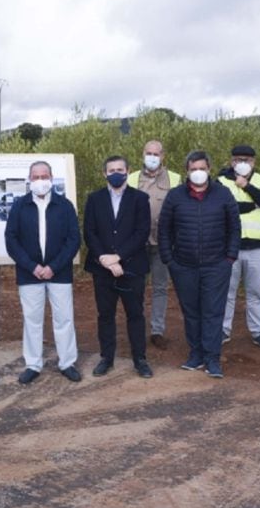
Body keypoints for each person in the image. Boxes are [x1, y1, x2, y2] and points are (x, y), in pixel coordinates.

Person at [159, 151, 240, 378]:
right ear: (187, 171)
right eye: (193, 169)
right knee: (192, 312)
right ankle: (195, 354)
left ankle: (212, 358)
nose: (198, 173)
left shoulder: (223, 194)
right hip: (184, 266)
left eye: (202, 168)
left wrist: (229, 258)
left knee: (213, 312)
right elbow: (164, 229)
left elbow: (235, 227)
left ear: (209, 169)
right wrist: (169, 260)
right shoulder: (175, 196)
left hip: (216, 266)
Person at [5, 161, 82, 384]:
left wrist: (53, 267)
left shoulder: (64, 205)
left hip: (59, 272)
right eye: (36, 177)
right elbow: (12, 240)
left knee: (64, 319)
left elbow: (73, 239)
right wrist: (33, 266)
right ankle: (33, 364)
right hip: (30, 273)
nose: (40, 181)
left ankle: (67, 362)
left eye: (44, 176)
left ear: (52, 177)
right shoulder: (20, 206)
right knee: (32, 320)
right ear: (30, 179)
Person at [83, 155, 153, 378]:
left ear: (127, 171)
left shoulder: (140, 198)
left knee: (135, 314)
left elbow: (142, 232)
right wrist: (104, 258)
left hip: (132, 268)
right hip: (102, 268)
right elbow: (89, 232)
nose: (116, 173)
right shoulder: (94, 199)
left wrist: (118, 257)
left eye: (120, 169)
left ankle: (140, 359)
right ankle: (107, 358)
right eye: (111, 169)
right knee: (105, 315)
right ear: (104, 173)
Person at [219, 145, 260, 349]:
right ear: (231, 161)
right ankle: (223, 330)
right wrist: (253, 204)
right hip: (229, 248)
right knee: (226, 292)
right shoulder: (222, 181)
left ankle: (258, 331)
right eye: (237, 159)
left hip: (258, 247)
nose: (242, 163)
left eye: (247, 159)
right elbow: (224, 206)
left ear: (254, 162)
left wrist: (246, 186)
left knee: (255, 293)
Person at [128, 140, 182, 349]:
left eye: (156, 153)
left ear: (163, 156)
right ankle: (138, 328)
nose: (152, 157)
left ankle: (157, 331)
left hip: (163, 242)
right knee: (137, 288)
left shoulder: (175, 179)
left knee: (160, 288)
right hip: (137, 244)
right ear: (143, 154)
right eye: (148, 153)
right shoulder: (132, 178)